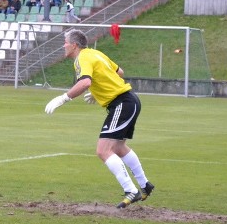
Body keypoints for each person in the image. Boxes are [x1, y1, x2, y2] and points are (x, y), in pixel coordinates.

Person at [43, 29, 154, 209]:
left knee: (103, 150)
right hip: (128, 100)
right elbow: (120, 72)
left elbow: (85, 82)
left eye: (65, 42)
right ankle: (145, 185)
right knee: (118, 147)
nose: (63, 45)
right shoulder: (95, 53)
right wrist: (98, 91)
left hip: (121, 103)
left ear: (74, 45)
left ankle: (131, 190)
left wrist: (63, 98)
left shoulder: (82, 58)